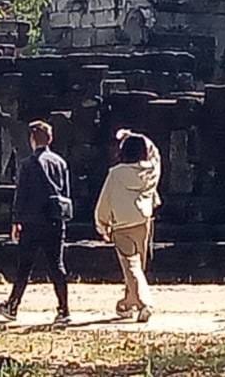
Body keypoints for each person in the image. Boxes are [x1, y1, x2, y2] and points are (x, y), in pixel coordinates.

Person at [0, 120, 72, 324]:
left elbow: (22, 194)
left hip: (32, 221)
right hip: (55, 219)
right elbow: (66, 193)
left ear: (32, 140)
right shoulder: (60, 163)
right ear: (50, 139)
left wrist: (16, 221)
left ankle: (13, 305)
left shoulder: (28, 164)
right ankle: (64, 309)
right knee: (57, 265)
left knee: (24, 266)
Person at [94, 129, 161, 323]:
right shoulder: (150, 171)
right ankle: (128, 301)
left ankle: (144, 303)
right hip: (143, 221)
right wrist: (139, 137)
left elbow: (104, 201)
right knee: (138, 265)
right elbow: (156, 154)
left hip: (122, 224)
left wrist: (102, 224)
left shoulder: (115, 173)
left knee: (130, 265)